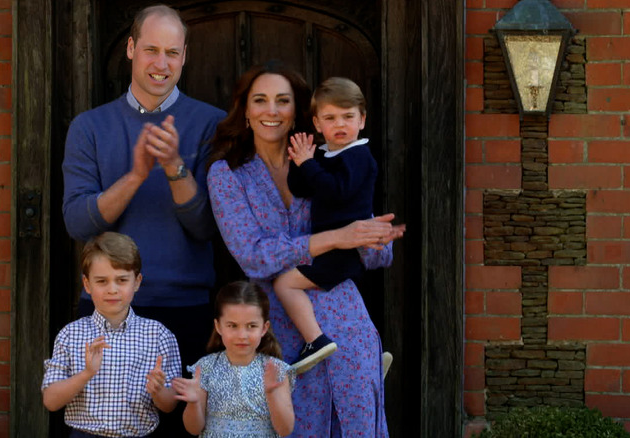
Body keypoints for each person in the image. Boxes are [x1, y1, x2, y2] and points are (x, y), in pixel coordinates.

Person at [206, 61, 403, 437]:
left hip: (346, 318)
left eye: (283, 101)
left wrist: (375, 239)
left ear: (297, 111)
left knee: (357, 424)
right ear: (245, 111)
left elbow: (374, 249)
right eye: (260, 100)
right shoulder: (228, 174)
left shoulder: (328, 159)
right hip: (277, 325)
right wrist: (334, 238)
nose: (272, 110)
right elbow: (253, 255)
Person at [61, 5, 225, 436]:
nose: (161, 63)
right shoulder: (89, 127)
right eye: (151, 49)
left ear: (185, 56)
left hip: (185, 311)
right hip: (107, 312)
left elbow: (210, 226)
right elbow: (78, 223)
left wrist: (173, 167)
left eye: (172, 52)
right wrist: (135, 175)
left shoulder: (213, 125)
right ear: (131, 48)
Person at [273, 77, 403, 374]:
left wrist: (309, 163)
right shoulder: (325, 154)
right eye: (331, 118)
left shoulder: (359, 157)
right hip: (332, 244)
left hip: (344, 249)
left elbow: (335, 191)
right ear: (318, 124)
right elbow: (301, 187)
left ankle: (314, 341)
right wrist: (300, 160)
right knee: (345, 307)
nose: (340, 124)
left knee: (285, 283)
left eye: (348, 117)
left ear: (362, 120)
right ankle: (369, 359)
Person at [42, 232, 181, 438]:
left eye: (122, 280)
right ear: (87, 284)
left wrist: (158, 391)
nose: (112, 289)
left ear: (137, 282)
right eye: (102, 281)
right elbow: (51, 401)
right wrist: (86, 374)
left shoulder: (159, 335)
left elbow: (170, 406)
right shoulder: (71, 335)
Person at [172, 281, 295, 437]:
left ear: (264, 328)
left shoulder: (275, 370)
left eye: (251, 326)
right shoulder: (205, 367)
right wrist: (194, 403)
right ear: (218, 326)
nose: (242, 335)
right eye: (232, 325)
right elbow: (194, 429)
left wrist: (272, 395)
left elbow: (285, 430)